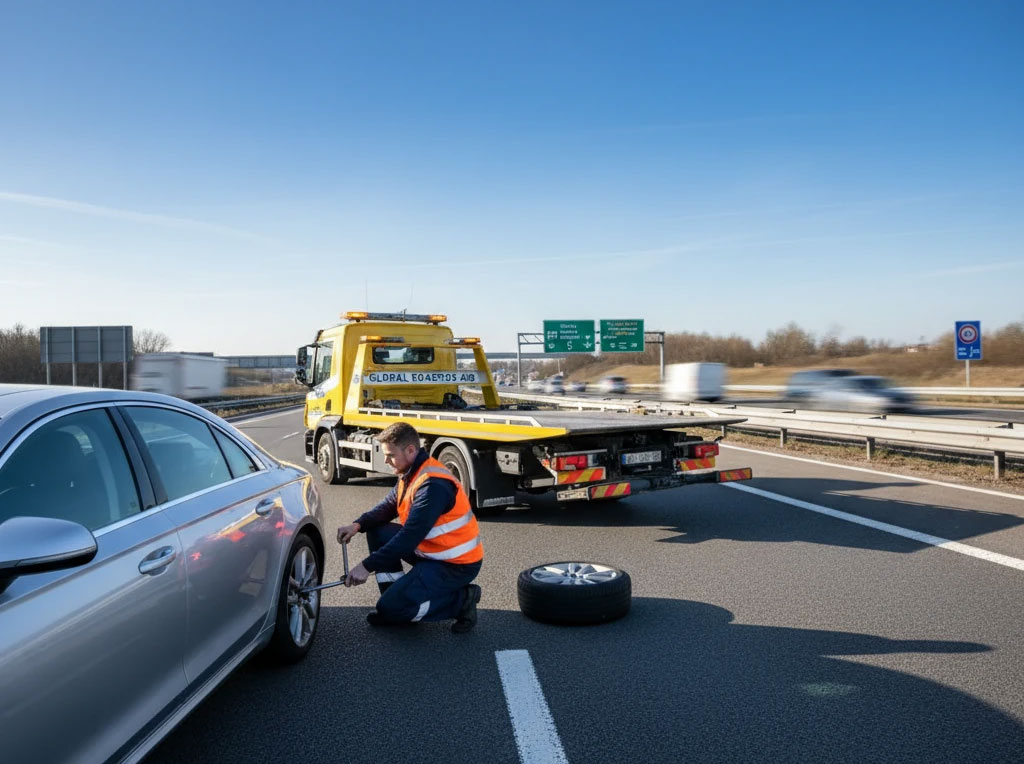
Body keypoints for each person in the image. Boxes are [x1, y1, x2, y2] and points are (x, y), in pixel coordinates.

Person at [336, 422, 483, 633]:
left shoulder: (432, 485)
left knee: (391, 609)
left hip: (455, 564)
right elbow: (389, 505)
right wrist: (358, 525)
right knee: (377, 530)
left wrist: (366, 567)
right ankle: (394, 599)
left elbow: (408, 538)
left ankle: (461, 601)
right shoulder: (411, 473)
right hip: (432, 553)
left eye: (390, 455)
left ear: (411, 450)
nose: (386, 460)